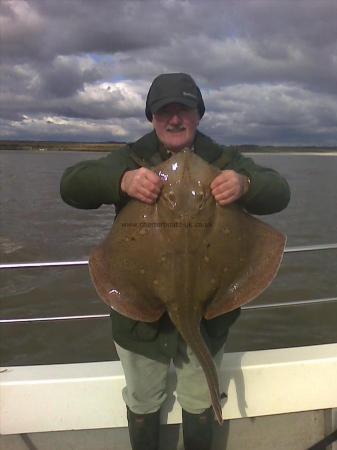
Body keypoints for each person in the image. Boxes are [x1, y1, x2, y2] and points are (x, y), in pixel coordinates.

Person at [60, 73, 290, 450]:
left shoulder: (223, 159)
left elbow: (279, 190)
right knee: (143, 401)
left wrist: (245, 183)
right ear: (151, 118)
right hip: (139, 320)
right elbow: (71, 185)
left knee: (199, 402)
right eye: (164, 111)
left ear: (198, 115)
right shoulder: (133, 157)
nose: (174, 119)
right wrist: (121, 180)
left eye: (184, 110)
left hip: (208, 315)